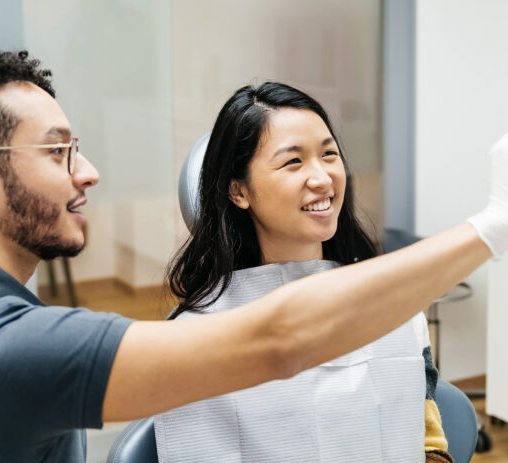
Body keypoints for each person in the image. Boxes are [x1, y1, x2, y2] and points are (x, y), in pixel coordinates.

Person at [0, 46, 508, 463]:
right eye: (59, 152)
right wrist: (496, 222)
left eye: (329, 155)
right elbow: (279, 339)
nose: (88, 172)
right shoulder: (2, 348)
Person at [160, 82, 452, 463]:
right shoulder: (197, 334)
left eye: (329, 154)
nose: (322, 178)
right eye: (293, 161)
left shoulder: (392, 306)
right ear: (238, 191)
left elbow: (428, 443)